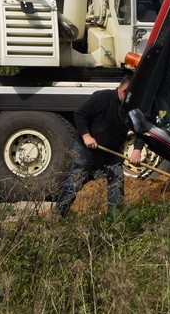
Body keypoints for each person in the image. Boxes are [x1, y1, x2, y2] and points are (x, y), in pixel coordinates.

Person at [53, 76, 143, 218]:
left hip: (112, 154)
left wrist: (137, 150)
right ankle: (58, 215)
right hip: (86, 151)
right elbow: (80, 114)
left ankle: (115, 220)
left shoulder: (132, 107)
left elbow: (140, 130)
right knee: (73, 184)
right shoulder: (102, 97)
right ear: (123, 90)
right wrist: (86, 136)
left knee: (116, 186)